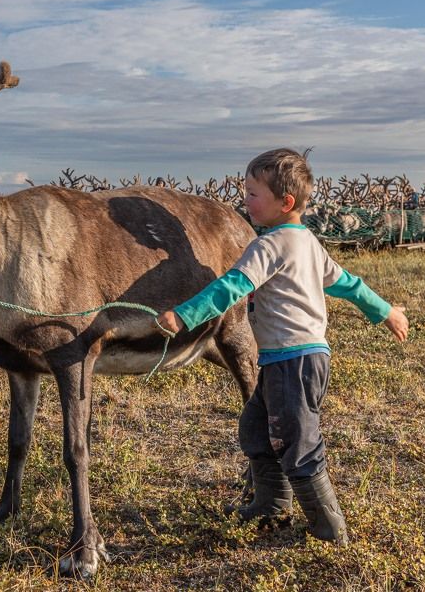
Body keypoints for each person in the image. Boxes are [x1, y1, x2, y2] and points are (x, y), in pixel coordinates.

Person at [157, 148, 409, 545]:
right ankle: (271, 502)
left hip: (295, 359)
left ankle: (330, 528)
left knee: (298, 442)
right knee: (256, 428)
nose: (245, 200)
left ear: (284, 202)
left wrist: (185, 315)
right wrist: (386, 312)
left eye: (253, 193)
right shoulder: (307, 241)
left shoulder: (268, 246)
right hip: (293, 358)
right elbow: (348, 284)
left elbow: (233, 287)